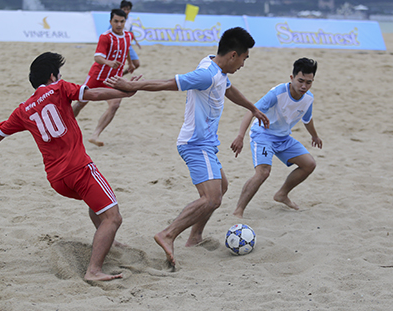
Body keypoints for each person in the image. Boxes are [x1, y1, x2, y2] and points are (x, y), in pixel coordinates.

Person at [0, 52, 139, 282]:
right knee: (114, 217)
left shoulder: (23, 110)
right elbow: (92, 94)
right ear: (53, 75)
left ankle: (108, 240)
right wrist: (126, 91)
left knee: (96, 203)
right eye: (59, 73)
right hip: (79, 169)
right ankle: (93, 270)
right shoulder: (59, 87)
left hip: (57, 180)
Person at [106, 27, 270, 267]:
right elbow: (168, 83)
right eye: (245, 58)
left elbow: (228, 89)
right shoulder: (206, 74)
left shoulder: (217, 68)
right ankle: (168, 234)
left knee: (221, 187)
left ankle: (195, 237)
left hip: (206, 143)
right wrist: (133, 87)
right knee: (212, 199)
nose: (244, 64)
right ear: (234, 54)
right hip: (195, 144)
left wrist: (252, 108)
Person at [230, 57, 322, 216]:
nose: (304, 86)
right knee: (263, 172)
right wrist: (240, 136)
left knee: (309, 164)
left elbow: (307, 119)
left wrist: (315, 136)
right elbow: (252, 111)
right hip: (263, 135)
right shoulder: (277, 93)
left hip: (283, 138)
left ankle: (282, 194)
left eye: (309, 82)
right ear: (292, 78)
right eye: (301, 81)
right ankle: (238, 211)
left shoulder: (308, 99)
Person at [72, 8, 134, 147]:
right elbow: (97, 57)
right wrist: (108, 62)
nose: (119, 24)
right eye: (116, 21)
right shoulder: (105, 37)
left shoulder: (128, 36)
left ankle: (95, 135)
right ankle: (64, 125)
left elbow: (127, 49)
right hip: (97, 77)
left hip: (113, 80)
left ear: (125, 22)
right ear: (110, 22)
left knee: (115, 104)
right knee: (81, 102)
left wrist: (130, 64)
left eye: (122, 21)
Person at [120, 0, 142, 76]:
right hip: (119, 44)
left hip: (128, 44)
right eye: (124, 9)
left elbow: (130, 31)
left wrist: (136, 42)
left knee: (136, 64)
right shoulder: (117, 20)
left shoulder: (130, 19)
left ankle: (120, 74)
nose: (126, 11)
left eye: (128, 9)